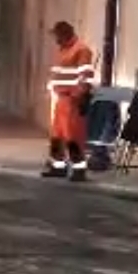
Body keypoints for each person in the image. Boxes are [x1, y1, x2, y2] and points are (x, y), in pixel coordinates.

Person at [43, 21, 96, 182]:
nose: (55, 39)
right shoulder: (63, 50)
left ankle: (79, 169)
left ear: (64, 34)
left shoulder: (81, 50)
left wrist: (79, 96)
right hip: (60, 99)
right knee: (57, 135)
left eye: (57, 35)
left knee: (72, 135)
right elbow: (59, 74)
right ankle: (58, 167)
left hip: (71, 100)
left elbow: (85, 76)